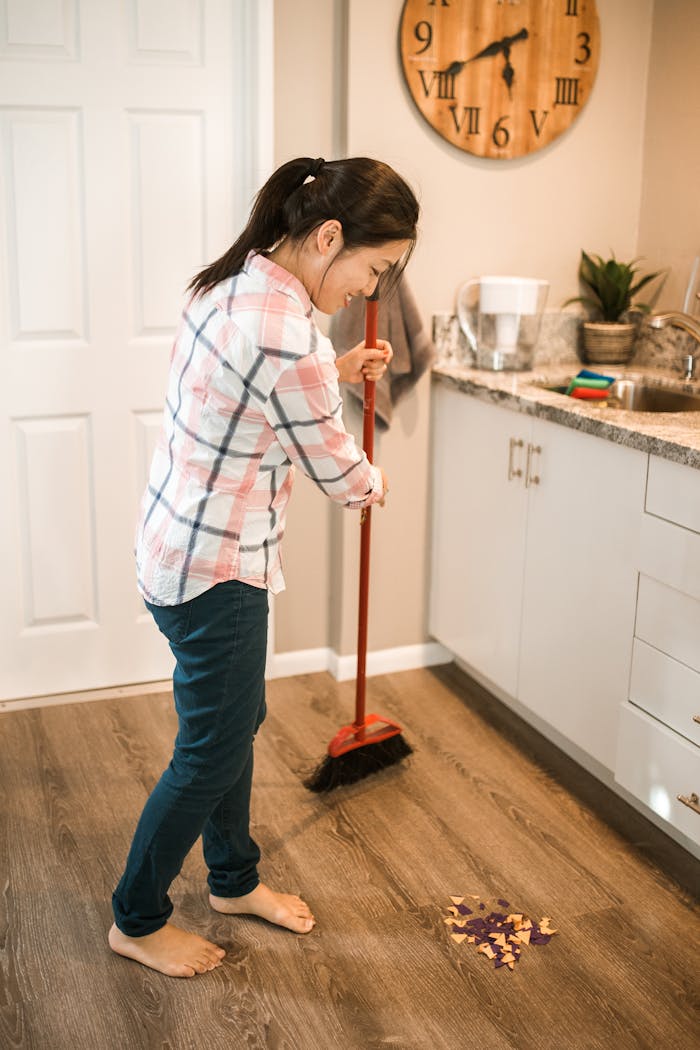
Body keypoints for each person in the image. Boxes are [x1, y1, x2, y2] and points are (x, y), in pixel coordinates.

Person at [108, 156, 420, 978]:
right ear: (327, 237)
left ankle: (233, 880)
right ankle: (136, 919)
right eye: (372, 268)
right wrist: (375, 478)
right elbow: (338, 474)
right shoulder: (288, 335)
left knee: (229, 729)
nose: (368, 290)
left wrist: (334, 372)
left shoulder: (230, 287)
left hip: (173, 547)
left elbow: (251, 391)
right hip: (219, 572)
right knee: (212, 748)